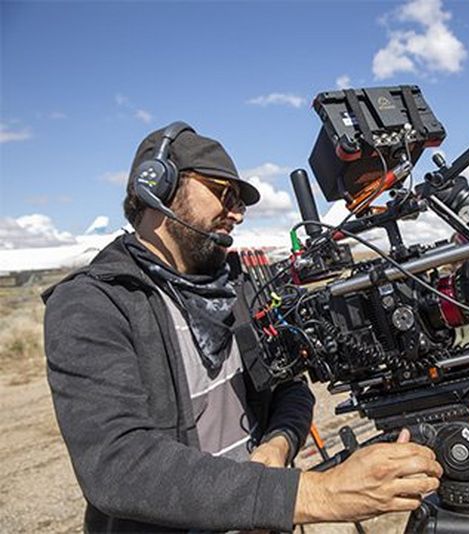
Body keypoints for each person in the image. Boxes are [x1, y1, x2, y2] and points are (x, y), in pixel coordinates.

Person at [43, 123, 442, 532]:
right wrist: (317, 495)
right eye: (224, 193)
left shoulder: (240, 288)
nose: (235, 213)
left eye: (240, 202)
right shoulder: (92, 304)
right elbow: (119, 466)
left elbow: (290, 388)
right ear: (157, 187)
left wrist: (277, 446)